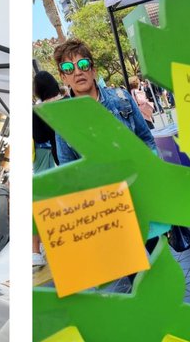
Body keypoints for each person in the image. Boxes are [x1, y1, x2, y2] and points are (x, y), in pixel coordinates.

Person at [53, 38, 157, 166]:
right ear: (64, 77)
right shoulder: (63, 121)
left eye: (83, 65)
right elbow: (68, 169)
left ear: (93, 70)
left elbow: (146, 140)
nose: (78, 72)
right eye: (68, 68)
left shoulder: (121, 98)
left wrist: (154, 170)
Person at [32, 70, 63, 270]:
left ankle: (36, 251)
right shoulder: (68, 102)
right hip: (69, 158)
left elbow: (39, 137)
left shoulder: (37, 111)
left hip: (46, 158)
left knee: (41, 200)